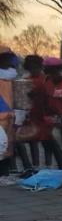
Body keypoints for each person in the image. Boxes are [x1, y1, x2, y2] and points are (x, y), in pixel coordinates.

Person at [0, 47, 16, 176]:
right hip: (2, 114)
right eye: (4, 59)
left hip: (10, 115)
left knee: (8, 144)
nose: (7, 61)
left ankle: (5, 173)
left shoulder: (11, 76)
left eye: (8, 59)